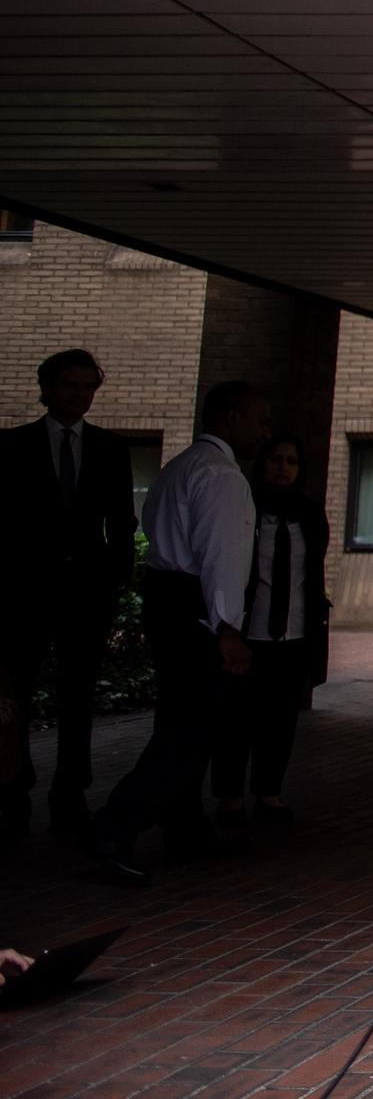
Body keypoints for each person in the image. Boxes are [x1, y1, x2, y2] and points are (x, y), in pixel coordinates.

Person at [83, 380, 273, 885]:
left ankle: (185, 827)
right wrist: (227, 628)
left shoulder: (177, 467)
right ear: (232, 419)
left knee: (179, 716)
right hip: (195, 608)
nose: (265, 431)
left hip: (164, 600)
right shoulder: (222, 476)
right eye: (260, 419)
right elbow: (222, 558)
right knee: (189, 731)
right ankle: (113, 828)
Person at [1, 348, 139, 842]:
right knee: (16, 695)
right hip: (23, 594)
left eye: (87, 387)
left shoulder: (110, 448)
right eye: (69, 385)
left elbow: (123, 521)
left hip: (86, 593)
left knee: (77, 696)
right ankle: (12, 790)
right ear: (47, 388)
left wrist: (115, 578)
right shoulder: (11, 446)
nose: (79, 395)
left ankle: (69, 793)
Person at [213, 435, 329, 828]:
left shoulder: (310, 517)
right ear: (261, 464)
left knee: (280, 721)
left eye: (291, 461)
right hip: (249, 634)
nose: (283, 467)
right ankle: (229, 798)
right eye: (275, 460)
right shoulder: (246, 512)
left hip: (293, 636)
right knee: (236, 720)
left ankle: (269, 793)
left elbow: (313, 575)